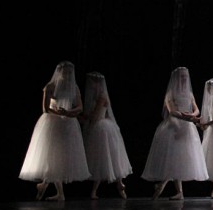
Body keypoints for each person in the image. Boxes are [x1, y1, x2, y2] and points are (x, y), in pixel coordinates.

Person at [19, 61, 91, 201]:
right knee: (53, 155)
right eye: (66, 71)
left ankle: (48, 187)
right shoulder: (50, 86)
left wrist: (69, 112)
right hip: (52, 123)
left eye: (70, 72)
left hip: (68, 125)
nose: (68, 74)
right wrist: (61, 113)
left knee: (60, 156)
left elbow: (80, 107)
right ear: (60, 72)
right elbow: (46, 108)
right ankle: (55, 191)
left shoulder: (74, 87)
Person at [141, 66, 209, 200]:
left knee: (180, 158)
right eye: (182, 76)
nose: (184, 79)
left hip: (186, 127)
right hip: (173, 126)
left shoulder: (189, 94)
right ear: (176, 78)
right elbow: (172, 111)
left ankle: (174, 190)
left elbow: (196, 110)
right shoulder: (170, 93)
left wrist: (192, 115)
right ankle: (168, 188)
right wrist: (188, 117)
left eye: (186, 76)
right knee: (173, 157)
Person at [80, 71, 133, 200]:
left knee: (109, 157)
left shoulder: (102, 97)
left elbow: (96, 116)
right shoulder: (95, 96)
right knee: (100, 160)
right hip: (98, 127)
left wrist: (85, 119)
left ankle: (119, 184)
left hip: (102, 129)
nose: (91, 85)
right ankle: (98, 190)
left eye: (92, 82)